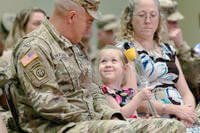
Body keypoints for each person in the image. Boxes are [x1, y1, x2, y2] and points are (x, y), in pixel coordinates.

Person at [11, 0, 135, 132]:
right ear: (71, 17)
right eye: (89, 21)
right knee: (119, 129)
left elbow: (95, 91)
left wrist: (110, 116)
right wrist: (97, 119)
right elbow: (49, 104)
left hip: (88, 122)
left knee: (157, 126)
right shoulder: (33, 48)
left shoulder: (75, 47)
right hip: (55, 127)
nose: (90, 28)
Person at [118, 0, 198, 128]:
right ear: (129, 18)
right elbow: (131, 99)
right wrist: (172, 109)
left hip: (182, 115)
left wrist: (187, 114)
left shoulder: (168, 49)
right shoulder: (126, 50)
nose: (148, 21)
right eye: (142, 15)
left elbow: (186, 93)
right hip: (153, 117)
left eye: (153, 15)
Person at [97, 45, 186, 132]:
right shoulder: (104, 93)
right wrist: (138, 98)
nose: (108, 64)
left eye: (114, 61)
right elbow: (121, 116)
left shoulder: (127, 93)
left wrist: (146, 120)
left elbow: (134, 117)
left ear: (125, 68)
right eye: (103, 61)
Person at [159, 0, 200, 103]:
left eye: (177, 22)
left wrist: (181, 46)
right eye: (172, 22)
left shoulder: (178, 48)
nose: (177, 26)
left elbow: (196, 76)